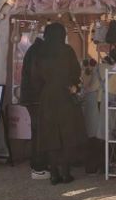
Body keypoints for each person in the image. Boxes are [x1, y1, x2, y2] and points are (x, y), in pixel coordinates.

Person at [34, 23, 86, 185]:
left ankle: (54, 174)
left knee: (50, 134)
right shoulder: (67, 50)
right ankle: (65, 173)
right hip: (65, 94)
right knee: (66, 134)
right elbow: (76, 72)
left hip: (47, 96)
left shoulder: (40, 52)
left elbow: (35, 76)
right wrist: (74, 85)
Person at [20, 35, 48, 179]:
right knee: (40, 132)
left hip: (30, 98)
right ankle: (39, 166)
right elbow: (38, 76)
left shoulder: (32, 50)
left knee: (36, 131)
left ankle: (36, 163)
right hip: (37, 98)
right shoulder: (40, 51)